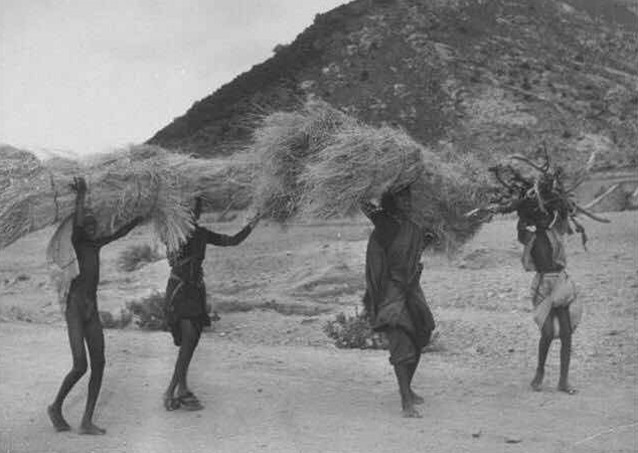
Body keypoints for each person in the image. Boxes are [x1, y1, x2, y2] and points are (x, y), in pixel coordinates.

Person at [48, 177, 142, 434]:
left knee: (99, 364)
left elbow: (119, 232)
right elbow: (77, 224)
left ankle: (86, 420)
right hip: (75, 309)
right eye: (87, 222)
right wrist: (81, 195)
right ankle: (55, 407)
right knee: (80, 365)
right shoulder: (77, 241)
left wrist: (140, 217)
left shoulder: (95, 243)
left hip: (91, 308)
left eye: (93, 223)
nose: (91, 225)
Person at [163, 197, 260, 411]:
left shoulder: (201, 233)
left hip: (195, 292)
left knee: (192, 343)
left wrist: (252, 224)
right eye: (191, 210)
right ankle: (170, 391)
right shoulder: (175, 233)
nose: (195, 214)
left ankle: (182, 388)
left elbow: (232, 241)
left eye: (197, 210)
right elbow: (171, 254)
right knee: (188, 342)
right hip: (180, 292)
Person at [361, 187, 436, 418]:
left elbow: (413, 253)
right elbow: (365, 205)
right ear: (390, 202)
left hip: (412, 289)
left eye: (408, 198)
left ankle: (408, 389)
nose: (406, 202)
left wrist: (426, 243)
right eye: (401, 198)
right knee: (402, 343)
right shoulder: (385, 225)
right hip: (391, 293)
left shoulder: (413, 227)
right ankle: (405, 402)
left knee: (420, 336)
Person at [517, 209, 581, 395]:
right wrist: (523, 207)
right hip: (543, 285)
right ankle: (540, 372)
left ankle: (563, 380)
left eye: (546, 216)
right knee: (547, 333)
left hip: (560, 282)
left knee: (566, 333)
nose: (543, 219)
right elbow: (520, 227)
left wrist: (559, 203)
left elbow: (563, 214)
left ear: (550, 217)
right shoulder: (529, 236)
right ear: (533, 220)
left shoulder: (556, 232)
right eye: (538, 217)